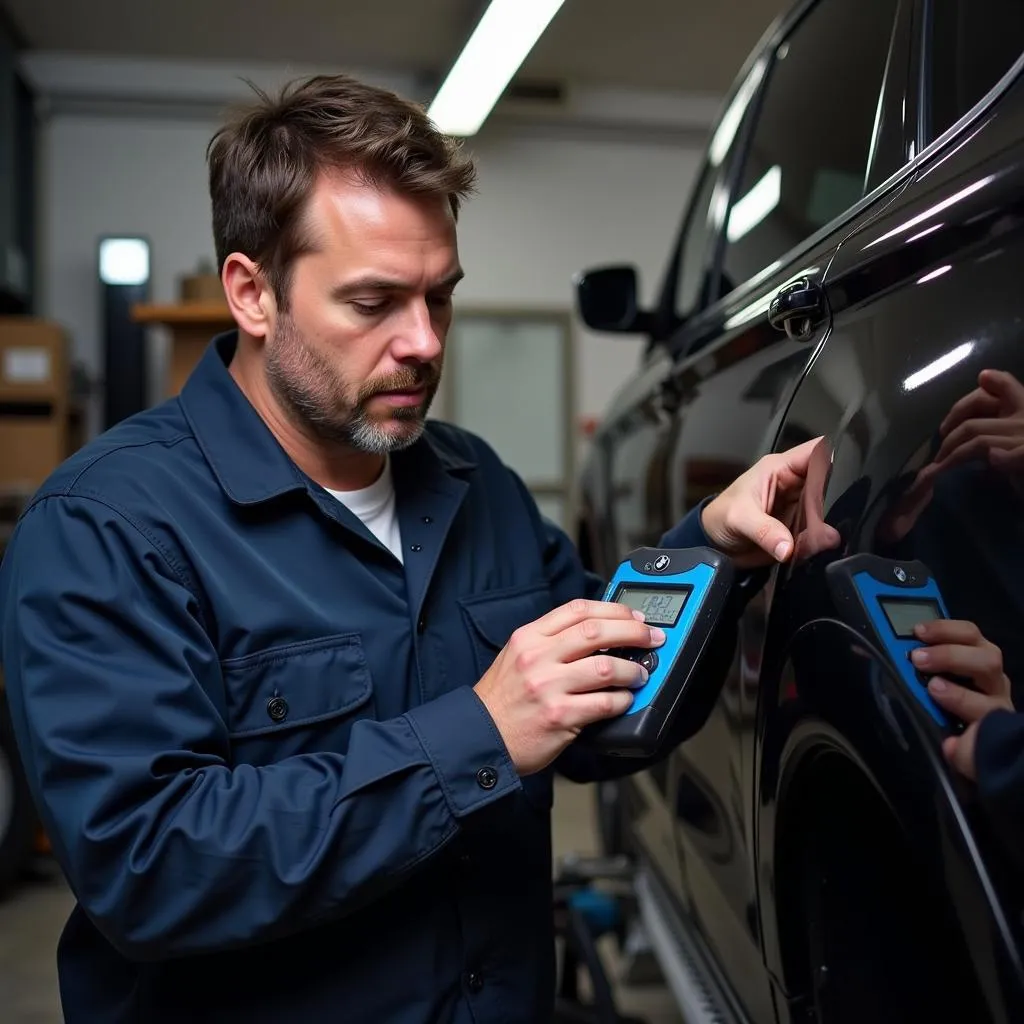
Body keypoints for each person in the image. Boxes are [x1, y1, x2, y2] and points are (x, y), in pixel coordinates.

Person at [0, 73, 820, 1024]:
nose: (425, 343)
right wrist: (479, 733)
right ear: (252, 293)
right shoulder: (109, 527)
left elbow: (600, 712)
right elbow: (149, 866)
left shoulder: (477, 485)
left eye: (441, 297)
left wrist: (713, 554)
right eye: (375, 302)